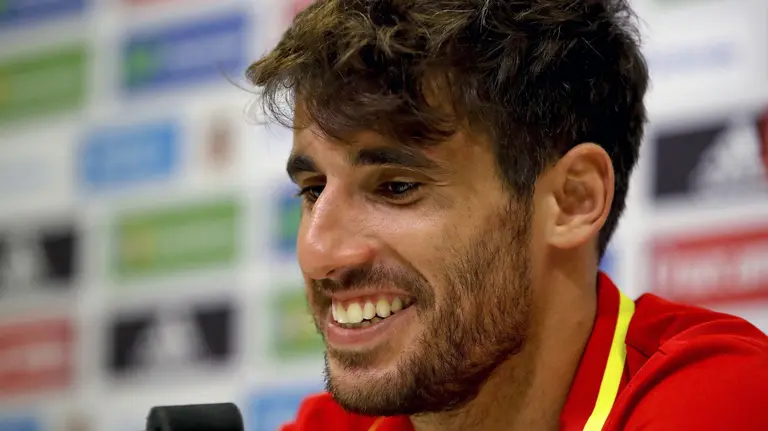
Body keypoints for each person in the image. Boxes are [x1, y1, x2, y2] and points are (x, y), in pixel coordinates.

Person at [246, 1, 768, 430]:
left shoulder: (716, 401)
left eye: (397, 187)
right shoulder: (332, 426)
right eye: (313, 190)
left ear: (573, 199)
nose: (319, 253)